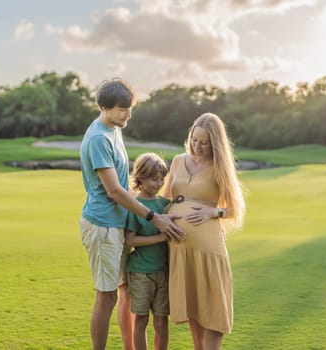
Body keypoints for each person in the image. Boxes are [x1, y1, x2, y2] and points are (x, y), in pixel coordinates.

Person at [79, 78, 184, 350]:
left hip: (117, 223)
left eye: (130, 108)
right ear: (104, 107)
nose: (128, 114)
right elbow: (114, 190)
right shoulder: (99, 139)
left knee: (122, 293)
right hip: (102, 226)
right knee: (107, 296)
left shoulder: (115, 128)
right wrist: (153, 217)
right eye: (122, 109)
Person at [163, 112, 245, 350]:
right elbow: (165, 198)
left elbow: (234, 209)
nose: (197, 147)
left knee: (213, 308)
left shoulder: (220, 168)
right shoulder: (179, 160)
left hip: (208, 250)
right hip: (179, 249)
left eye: (204, 143)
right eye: (194, 140)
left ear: (215, 144)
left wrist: (213, 212)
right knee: (193, 310)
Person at [124, 153, 171, 350]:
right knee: (141, 321)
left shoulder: (165, 205)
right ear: (140, 178)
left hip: (163, 272)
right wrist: (160, 237)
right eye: (154, 179)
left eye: (162, 178)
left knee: (161, 322)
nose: (159, 183)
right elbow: (130, 240)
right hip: (140, 272)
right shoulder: (135, 207)